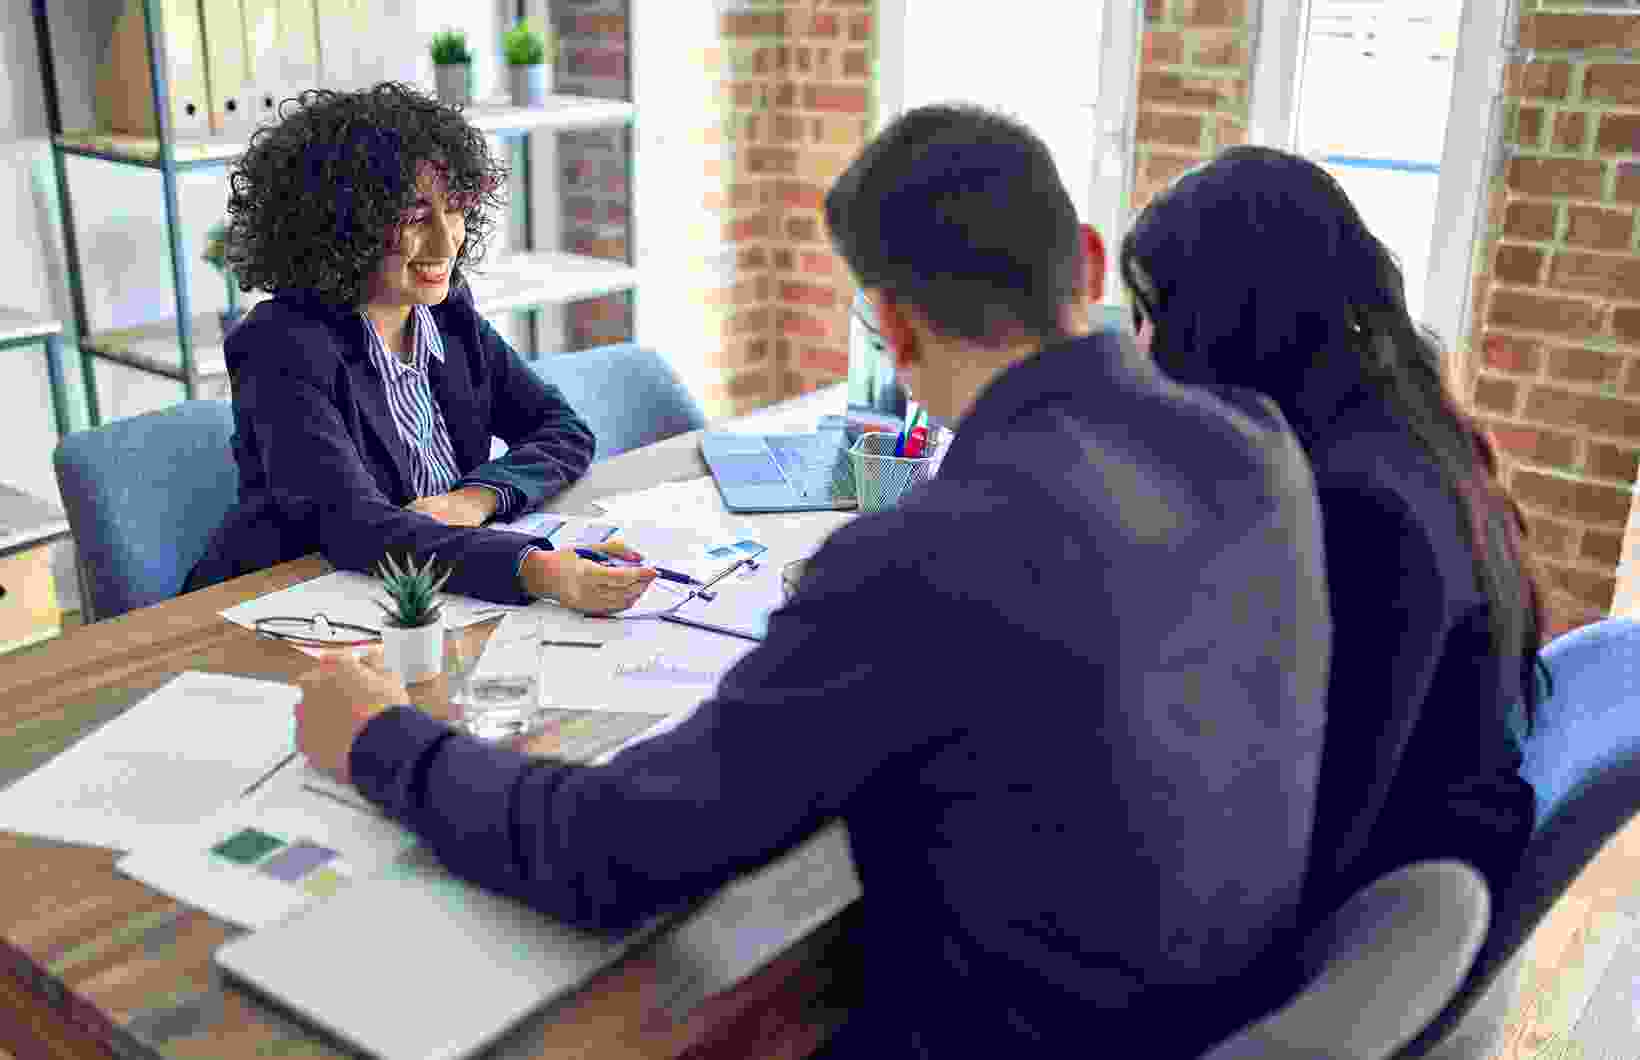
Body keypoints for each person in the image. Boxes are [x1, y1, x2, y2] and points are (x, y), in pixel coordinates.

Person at [296, 104, 1333, 1056]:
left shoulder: (924, 559)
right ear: (1090, 262)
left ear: (890, 326)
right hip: (1225, 1015)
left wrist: (381, 737)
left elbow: (606, 852)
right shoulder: (1258, 445)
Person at [1119, 145, 1548, 925]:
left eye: (1152, 315)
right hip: (1402, 882)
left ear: (1228, 322)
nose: (1139, 347)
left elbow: (1300, 833)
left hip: (1355, 931)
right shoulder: (1401, 435)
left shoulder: (1361, 510)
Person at [183, 82, 655, 614]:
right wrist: (534, 569)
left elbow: (563, 430)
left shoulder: (447, 313)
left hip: (421, 594)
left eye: (454, 208)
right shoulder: (281, 345)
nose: (447, 241)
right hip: (288, 602)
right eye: (414, 216)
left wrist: (474, 500)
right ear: (341, 227)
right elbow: (354, 527)